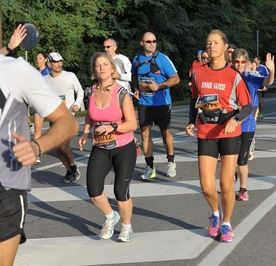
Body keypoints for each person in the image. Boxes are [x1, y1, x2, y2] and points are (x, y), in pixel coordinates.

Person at [0, 24, 79, 266]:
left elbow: (68, 123)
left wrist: (36, 146)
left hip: (5, 187)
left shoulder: (16, 71)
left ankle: (72, 167)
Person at [186, 30, 252, 242]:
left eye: (215, 43)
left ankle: (226, 224)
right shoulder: (198, 72)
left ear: (225, 47)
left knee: (225, 185)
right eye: (208, 43)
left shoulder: (234, 75)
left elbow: (248, 106)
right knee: (206, 186)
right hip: (206, 132)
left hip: (229, 133)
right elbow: (194, 99)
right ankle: (215, 214)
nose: (211, 46)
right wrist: (190, 121)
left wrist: (235, 119)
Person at [78, 52, 137, 242]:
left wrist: (113, 126)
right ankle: (110, 216)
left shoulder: (121, 93)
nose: (101, 68)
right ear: (94, 71)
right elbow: (91, 115)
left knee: (121, 191)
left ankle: (127, 227)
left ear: (113, 69)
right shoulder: (92, 92)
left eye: (105, 64)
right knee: (93, 190)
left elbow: (132, 124)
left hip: (124, 146)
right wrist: (86, 132)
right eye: (98, 65)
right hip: (101, 146)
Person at [131, 32, 180, 179]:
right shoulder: (137, 59)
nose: (152, 43)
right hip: (144, 103)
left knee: (166, 133)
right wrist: (135, 89)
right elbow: (134, 76)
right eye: (148, 41)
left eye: (154, 41)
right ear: (142, 43)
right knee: (145, 134)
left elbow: (176, 79)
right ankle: (149, 167)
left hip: (162, 103)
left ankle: (171, 162)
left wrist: (158, 86)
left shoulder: (162, 59)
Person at [232, 49, 274, 201]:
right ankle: (233, 175)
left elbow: (268, 82)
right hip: (231, 122)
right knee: (231, 156)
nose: (240, 64)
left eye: (243, 62)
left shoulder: (251, 78)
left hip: (247, 123)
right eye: (237, 61)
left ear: (248, 63)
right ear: (232, 62)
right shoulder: (227, 77)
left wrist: (272, 70)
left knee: (242, 158)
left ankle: (243, 189)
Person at [44, 52, 84, 182]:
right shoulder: (45, 80)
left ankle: (73, 166)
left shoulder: (70, 76)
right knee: (59, 149)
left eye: (60, 61)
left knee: (63, 146)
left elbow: (81, 91)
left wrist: (77, 104)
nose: (59, 64)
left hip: (68, 117)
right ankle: (69, 171)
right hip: (54, 118)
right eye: (56, 62)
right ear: (49, 64)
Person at [33, 51, 52, 164]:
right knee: (37, 129)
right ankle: (36, 154)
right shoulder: (34, 73)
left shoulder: (49, 72)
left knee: (54, 129)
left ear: (45, 60)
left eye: (40, 58)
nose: (38, 60)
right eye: (37, 58)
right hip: (38, 103)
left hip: (49, 104)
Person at [253, 55, 269, 119]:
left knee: (260, 101)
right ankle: (254, 113)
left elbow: (267, 76)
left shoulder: (263, 68)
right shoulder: (252, 66)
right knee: (253, 101)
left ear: (259, 61)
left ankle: (261, 113)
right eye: (254, 60)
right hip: (254, 87)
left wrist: (266, 86)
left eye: (256, 60)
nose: (255, 61)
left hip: (261, 87)